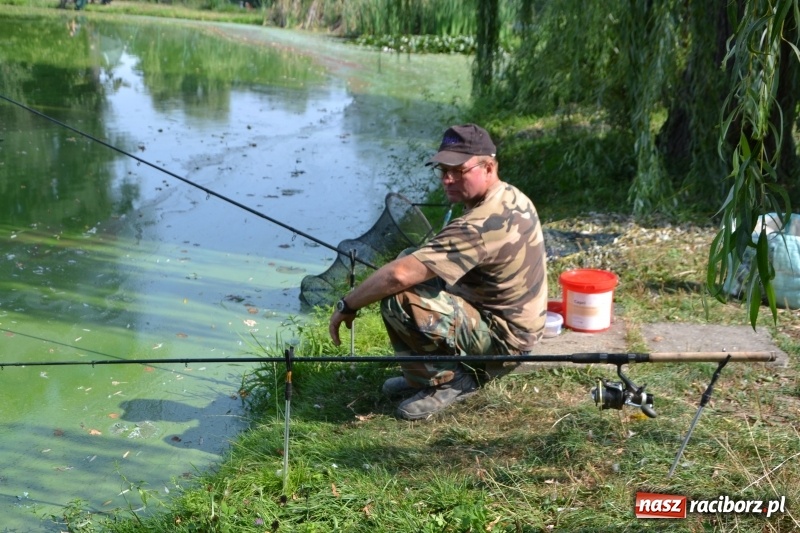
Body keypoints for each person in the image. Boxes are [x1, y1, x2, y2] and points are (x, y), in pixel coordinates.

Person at [329, 124, 547, 420]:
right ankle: (422, 376)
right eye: (443, 170)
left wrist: (348, 304)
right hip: (515, 326)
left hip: (504, 344)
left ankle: (452, 382)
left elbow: (399, 276)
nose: (447, 179)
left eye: (459, 171)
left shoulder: (482, 223)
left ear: (489, 167)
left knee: (400, 295)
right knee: (409, 260)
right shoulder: (510, 196)